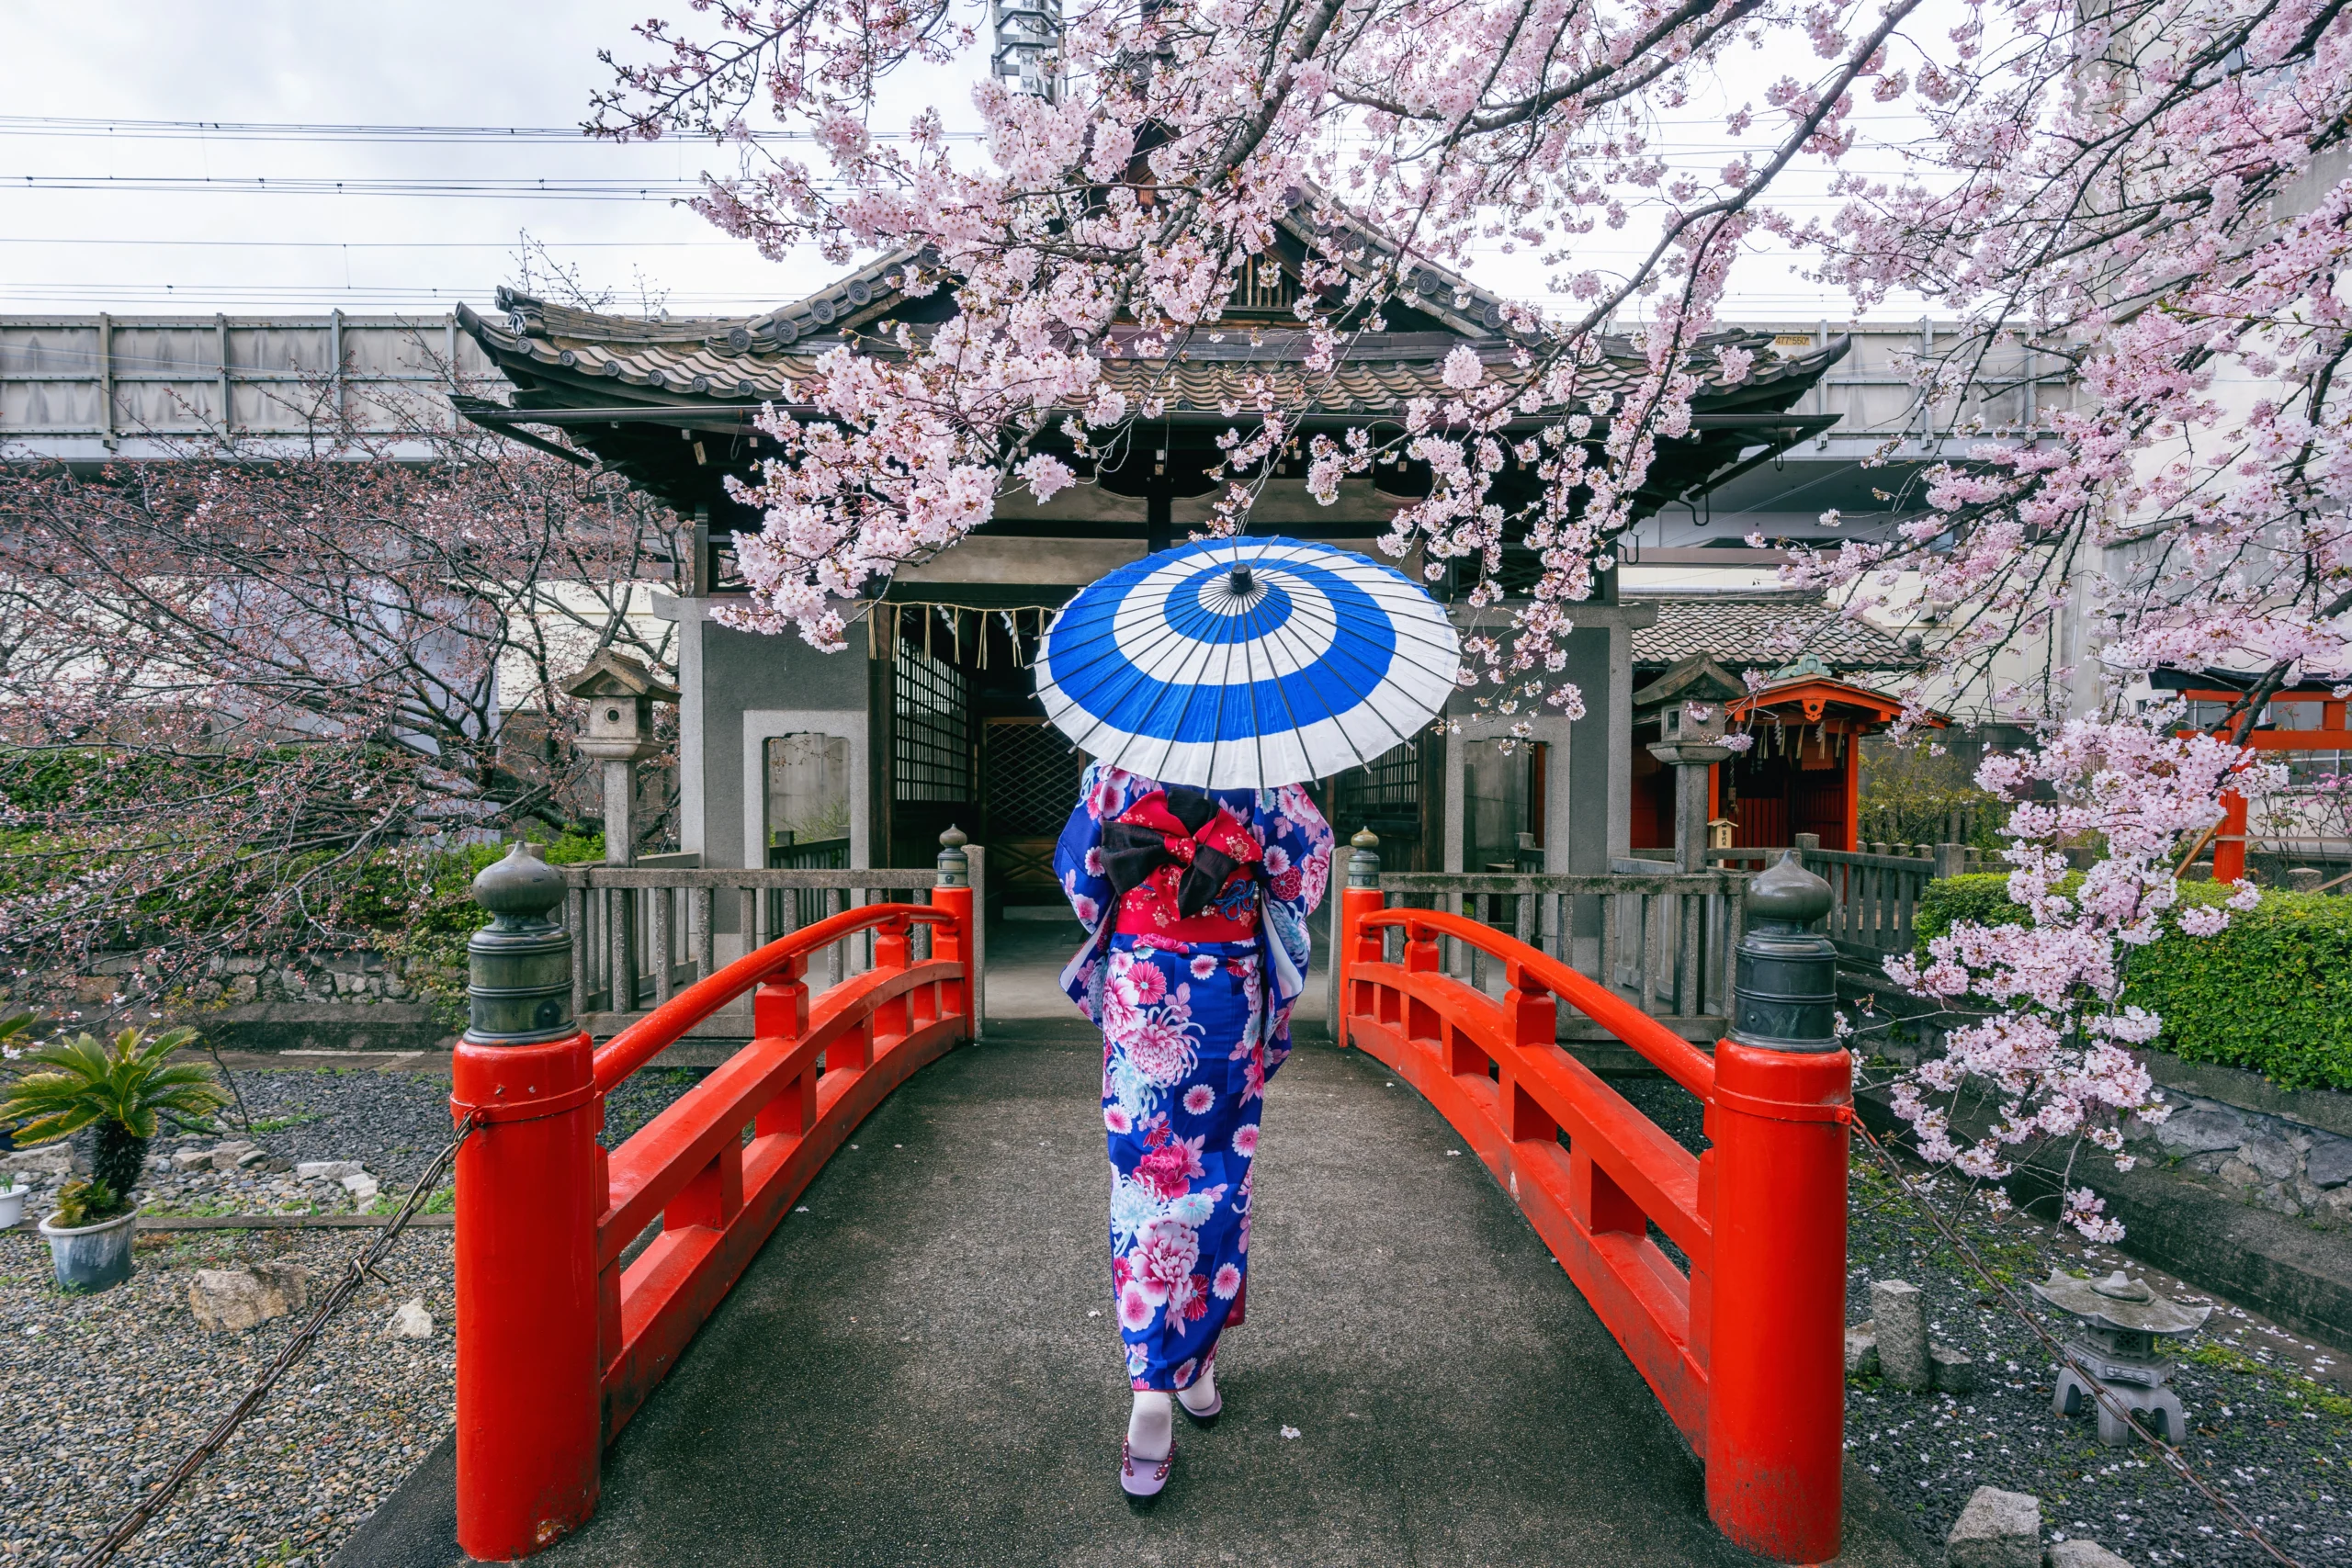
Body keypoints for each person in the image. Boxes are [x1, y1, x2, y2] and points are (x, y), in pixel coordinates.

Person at [1053, 762, 1334, 1502]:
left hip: (1143, 983)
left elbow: (1083, 887)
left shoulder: (1114, 770)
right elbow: (1301, 879)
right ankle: (1191, 1366)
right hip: (1221, 990)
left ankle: (1157, 1380)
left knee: (1145, 1176)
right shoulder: (1266, 773)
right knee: (1215, 1176)